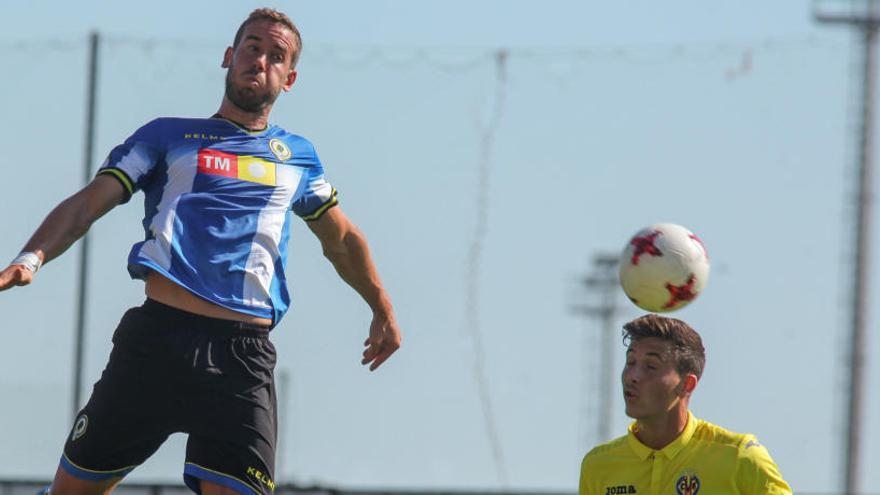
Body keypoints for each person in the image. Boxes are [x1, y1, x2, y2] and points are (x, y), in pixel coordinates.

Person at [0, 8, 401, 495]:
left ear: (289, 78)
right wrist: (30, 258)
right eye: (253, 47)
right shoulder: (168, 136)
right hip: (157, 341)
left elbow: (340, 238)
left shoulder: (298, 157)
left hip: (243, 359)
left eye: (277, 56)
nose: (261, 61)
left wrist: (380, 304)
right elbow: (88, 203)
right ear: (230, 57)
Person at [579, 314, 791, 495]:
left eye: (651, 366)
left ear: (687, 384)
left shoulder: (740, 457)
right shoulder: (598, 465)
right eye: (630, 362)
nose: (632, 376)